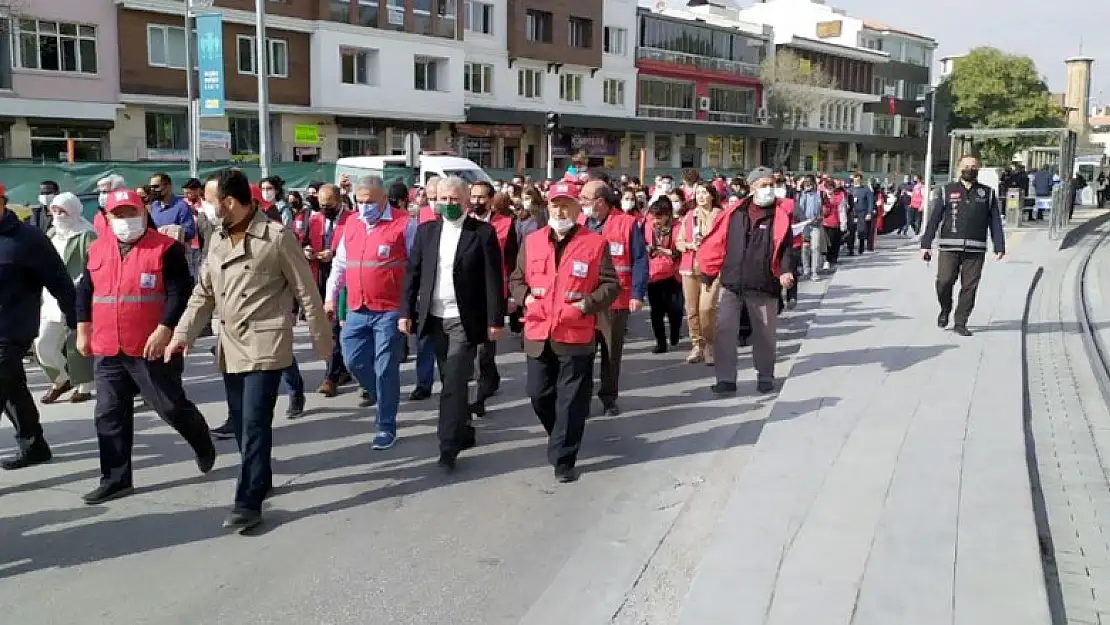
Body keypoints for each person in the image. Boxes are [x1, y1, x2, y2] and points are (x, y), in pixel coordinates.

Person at [167, 169, 331, 531]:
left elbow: (307, 291)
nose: (206, 209)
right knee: (242, 423)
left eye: (210, 202)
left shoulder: (276, 237)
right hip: (230, 345)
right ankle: (262, 476)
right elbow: (203, 294)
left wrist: (323, 342)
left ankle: (248, 501)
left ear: (228, 202)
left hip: (266, 342)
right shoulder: (217, 240)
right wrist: (182, 334)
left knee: (256, 422)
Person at [74, 188, 216, 504]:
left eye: (132, 213)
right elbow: (85, 292)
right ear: (107, 218)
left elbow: (180, 293)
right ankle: (115, 479)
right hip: (109, 347)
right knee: (109, 414)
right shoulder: (97, 250)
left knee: (169, 406)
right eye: (119, 215)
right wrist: (83, 330)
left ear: (144, 213)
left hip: (151, 346)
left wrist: (166, 330)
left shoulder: (166, 249)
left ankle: (200, 439)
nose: (126, 220)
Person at [507, 181, 620, 483]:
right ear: (548, 207)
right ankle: (560, 434)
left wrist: (584, 305)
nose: (560, 210)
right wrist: (525, 297)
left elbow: (610, 285)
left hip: (575, 331)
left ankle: (564, 459)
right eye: (555, 205)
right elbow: (516, 279)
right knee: (538, 393)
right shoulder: (531, 241)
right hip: (538, 329)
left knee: (571, 400)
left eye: (566, 205)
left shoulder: (595, 244)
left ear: (577, 208)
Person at [400, 176, 505, 471]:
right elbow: (413, 274)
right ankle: (465, 428)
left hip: (464, 319)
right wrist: (405, 312)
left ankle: (448, 446)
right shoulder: (426, 232)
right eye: (443, 199)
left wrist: (495, 319)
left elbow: (493, 280)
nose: (448, 205)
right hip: (434, 318)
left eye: (454, 200)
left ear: (467, 201)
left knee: (454, 380)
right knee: (451, 382)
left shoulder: (482, 234)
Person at [324, 175, 418, 451]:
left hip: (389, 309)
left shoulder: (404, 224)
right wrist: (330, 298)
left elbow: (415, 267)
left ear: (383, 198)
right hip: (357, 307)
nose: (364, 207)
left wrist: (410, 307)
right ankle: (383, 396)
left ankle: (385, 425)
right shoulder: (352, 224)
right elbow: (340, 265)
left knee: (385, 366)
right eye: (360, 201)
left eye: (370, 201)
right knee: (352, 360)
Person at [698, 167, 796, 395]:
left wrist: (785, 271)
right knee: (724, 330)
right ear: (752, 188)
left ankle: (765, 376)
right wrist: (708, 272)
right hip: (732, 282)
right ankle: (725, 379)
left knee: (764, 334)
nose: (769, 189)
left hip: (764, 283)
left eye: (771, 184)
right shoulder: (735, 213)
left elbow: (787, 248)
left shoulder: (779, 215)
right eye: (764, 185)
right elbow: (717, 242)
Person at [0, 182, 75, 470]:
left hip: (12, 329)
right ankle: (35, 446)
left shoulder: (27, 239)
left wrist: (79, 322)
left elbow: (59, 281)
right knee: (13, 389)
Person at [581, 180, 647, 416]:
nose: (581, 203)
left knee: (610, 352)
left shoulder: (627, 224)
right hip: (584, 298)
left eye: (585, 199)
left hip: (615, 300)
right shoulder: (580, 223)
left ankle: (609, 398)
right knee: (581, 352)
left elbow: (640, 260)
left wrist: (637, 293)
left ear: (600, 201)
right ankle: (581, 398)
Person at [921, 156, 1006, 337]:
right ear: (959, 168)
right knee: (944, 281)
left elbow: (995, 221)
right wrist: (926, 244)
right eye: (966, 166)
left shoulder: (987, 193)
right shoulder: (946, 191)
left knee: (970, 286)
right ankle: (945, 309)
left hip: (976, 248)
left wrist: (999, 245)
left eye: (974, 166)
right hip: (949, 246)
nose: (970, 169)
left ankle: (961, 322)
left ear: (978, 169)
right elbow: (934, 218)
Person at [36, 192, 96, 404]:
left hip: (77, 296)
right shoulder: (51, 233)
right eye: (54, 210)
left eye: (63, 211)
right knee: (42, 345)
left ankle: (84, 386)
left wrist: (80, 285)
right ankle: (62, 379)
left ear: (73, 211)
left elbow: (93, 267)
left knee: (76, 344)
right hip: (51, 299)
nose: (58, 215)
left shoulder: (87, 234)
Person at [468, 181, 518, 416]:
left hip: (494, 292)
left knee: (486, 348)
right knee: (472, 347)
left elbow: (512, 263)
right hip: (467, 291)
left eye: (481, 198)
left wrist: (510, 296)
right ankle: (492, 378)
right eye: (473, 197)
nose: (476, 201)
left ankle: (480, 396)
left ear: (490, 200)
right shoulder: (464, 222)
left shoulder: (506, 224)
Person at [308, 184, 354, 398]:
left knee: (335, 328)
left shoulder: (352, 220)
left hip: (344, 279)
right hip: (320, 275)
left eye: (329, 205)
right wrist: (307, 250)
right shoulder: (315, 219)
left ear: (339, 202)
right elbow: (306, 241)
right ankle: (341, 369)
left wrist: (333, 253)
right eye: (322, 205)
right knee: (327, 327)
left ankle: (331, 377)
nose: (325, 209)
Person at [675, 182, 724, 365]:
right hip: (690, 267)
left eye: (705, 193)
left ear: (712, 195)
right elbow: (679, 242)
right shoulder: (689, 216)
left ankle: (710, 344)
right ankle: (697, 344)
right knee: (692, 309)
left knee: (707, 307)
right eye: (699, 193)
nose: (701, 197)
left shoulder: (720, 216)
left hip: (711, 268)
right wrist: (689, 245)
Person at [410, 176, 442, 400]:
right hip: (426, 290)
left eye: (436, 197)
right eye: (429, 198)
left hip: (451, 292)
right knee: (424, 339)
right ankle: (424, 383)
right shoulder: (420, 219)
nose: (433, 202)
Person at [644, 196, 682, 353]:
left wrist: (662, 251)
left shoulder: (677, 227)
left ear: (668, 216)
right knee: (656, 311)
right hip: (653, 274)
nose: (655, 221)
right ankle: (660, 342)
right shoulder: (646, 226)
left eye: (659, 217)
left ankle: (675, 332)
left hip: (673, 275)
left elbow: (679, 251)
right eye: (653, 217)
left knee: (675, 310)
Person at [148, 173, 196, 244]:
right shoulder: (154, 205)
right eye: (151, 187)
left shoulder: (181, 206)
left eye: (156, 186)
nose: (153, 190)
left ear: (168, 186)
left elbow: (190, 232)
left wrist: (171, 231)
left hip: (174, 250)